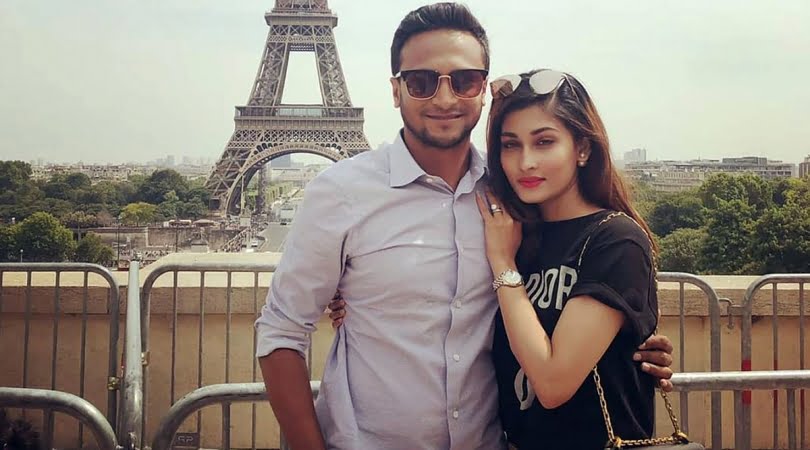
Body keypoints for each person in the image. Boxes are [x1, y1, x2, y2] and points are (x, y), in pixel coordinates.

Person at [255, 4, 673, 450]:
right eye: (421, 82)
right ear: (396, 90)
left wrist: (624, 347)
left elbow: (561, 294)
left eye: (464, 80)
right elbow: (282, 329)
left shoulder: (512, 198)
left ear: (483, 91)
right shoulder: (342, 194)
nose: (444, 99)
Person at [476, 69, 660, 448]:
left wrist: (503, 265)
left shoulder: (616, 240)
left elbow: (552, 385)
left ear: (583, 149)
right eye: (510, 145)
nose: (525, 162)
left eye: (544, 142)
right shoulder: (519, 234)